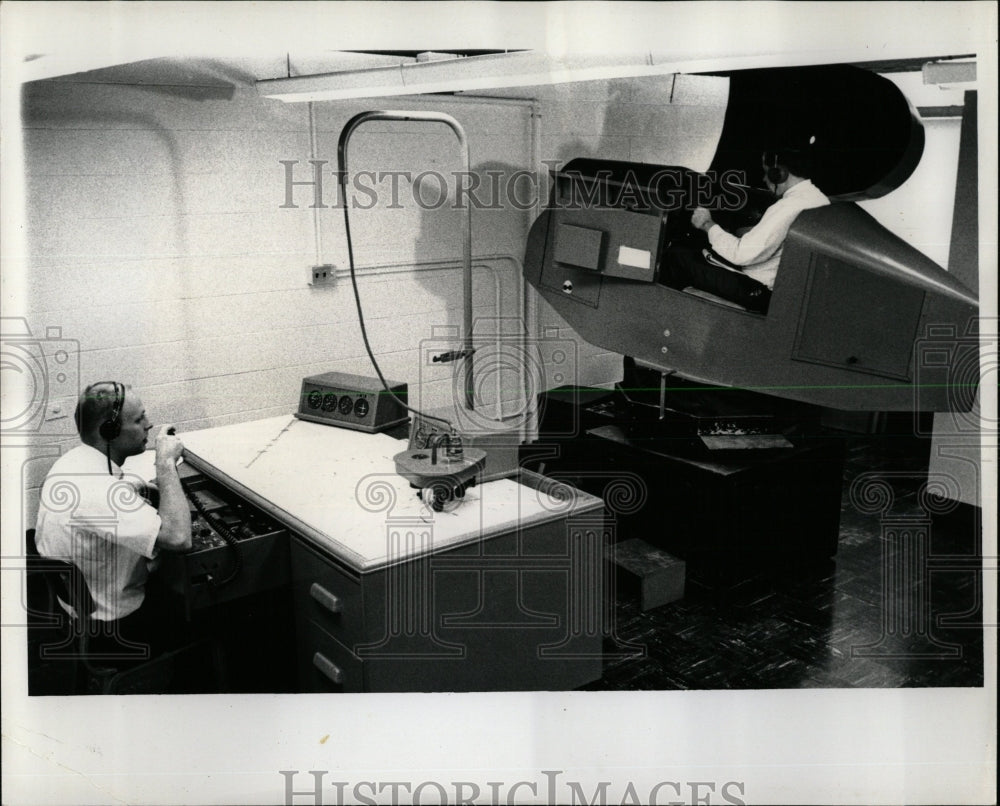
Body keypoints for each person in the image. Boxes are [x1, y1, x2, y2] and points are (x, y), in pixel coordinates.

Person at [35, 381, 192, 655]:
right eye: (139, 419)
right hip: (116, 626)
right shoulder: (101, 492)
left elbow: (102, 493)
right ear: (110, 430)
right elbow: (179, 538)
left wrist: (132, 486)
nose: (149, 424)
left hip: (78, 609)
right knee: (206, 607)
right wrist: (165, 463)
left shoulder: (72, 463)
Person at [663, 145, 830, 312]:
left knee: (677, 256)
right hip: (783, 290)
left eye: (767, 172)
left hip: (759, 290)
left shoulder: (788, 206)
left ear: (779, 173)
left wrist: (707, 224)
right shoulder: (818, 199)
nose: (764, 179)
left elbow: (741, 254)